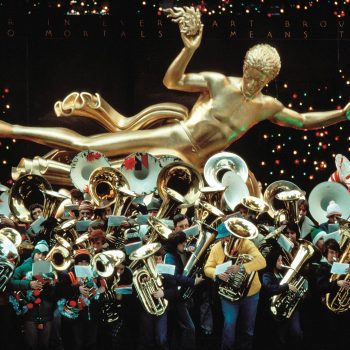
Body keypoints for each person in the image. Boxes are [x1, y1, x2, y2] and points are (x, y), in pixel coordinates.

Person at [0, 8, 349, 171]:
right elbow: (173, 82)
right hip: (172, 139)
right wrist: (189, 49)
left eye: (261, 78)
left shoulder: (266, 105)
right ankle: (12, 129)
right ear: (244, 66)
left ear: (270, 79)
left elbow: (303, 121)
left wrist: (343, 114)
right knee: (91, 146)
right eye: (251, 73)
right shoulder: (219, 82)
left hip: (195, 166)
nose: (253, 81)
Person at [204, 222, 266, 350]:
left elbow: (262, 262)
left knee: (248, 329)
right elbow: (207, 268)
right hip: (228, 294)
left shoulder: (246, 243)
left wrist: (242, 267)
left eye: (228, 237)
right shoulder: (216, 248)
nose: (226, 241)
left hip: (250, 294)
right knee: (229, 324)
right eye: (222, 238)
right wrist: (217, 273)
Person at [9, 240, 56, 350]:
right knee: (31, 345)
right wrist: (29, 284)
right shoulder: (23, 267)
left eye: (44, 254)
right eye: (38, 253)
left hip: (46, 313)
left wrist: (51, 283)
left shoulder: (49, 267)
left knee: (45, 345)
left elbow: (54, 292)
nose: (41, 256)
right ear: (33, 253)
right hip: (30, 314)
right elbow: (11, 283)